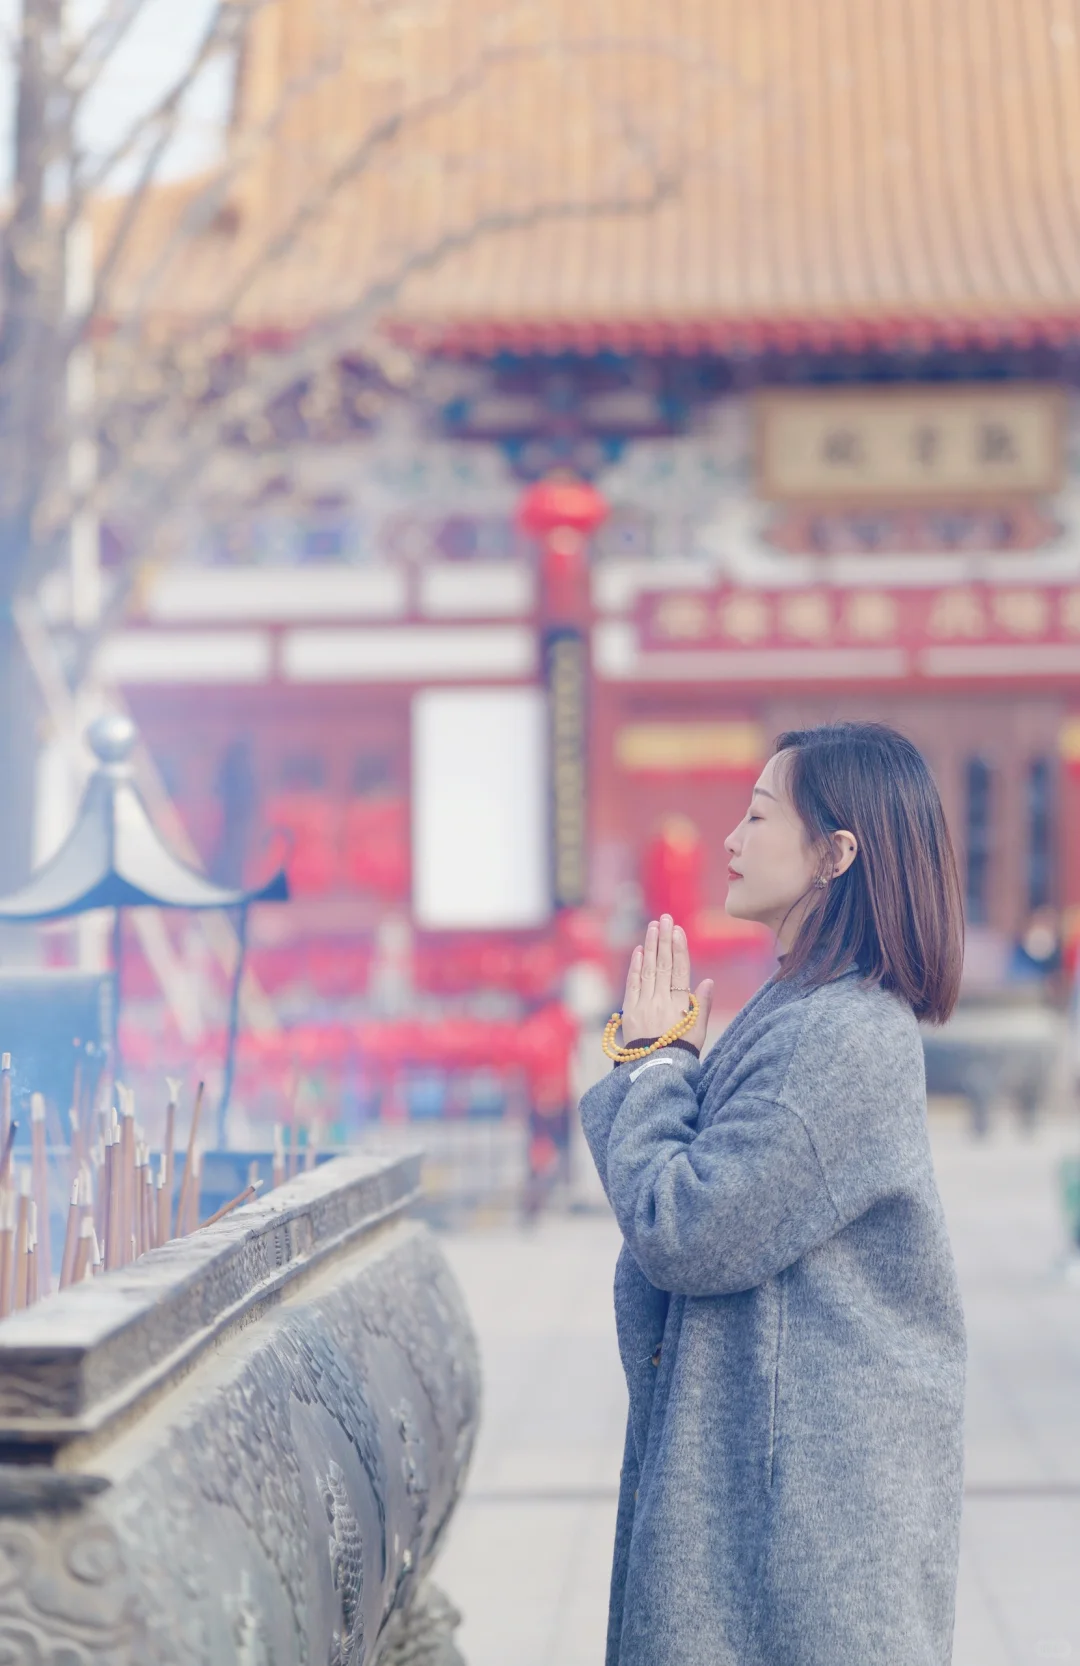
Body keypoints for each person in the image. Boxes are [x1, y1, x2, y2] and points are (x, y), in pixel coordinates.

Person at [579, 722, 967, 1666]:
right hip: (781, 1493)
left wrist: (656, 1062)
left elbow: (688, 1226)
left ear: (837, 854)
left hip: (800, 1528)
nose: (730, 840)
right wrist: (658, 1064)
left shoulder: (841, 1035)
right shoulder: (804, 1009)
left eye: (758, 816)